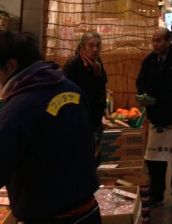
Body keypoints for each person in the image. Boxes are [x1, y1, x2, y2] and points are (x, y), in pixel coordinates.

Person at [0, 31, 101, 224]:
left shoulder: (16, 109)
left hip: (50, 217)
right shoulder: (73, 91)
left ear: (11, 65)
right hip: (89, 212)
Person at [136, 27, 172, 211]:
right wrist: (144, 96)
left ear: (169, 41)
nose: (155, 44)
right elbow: (140, 82)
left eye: (159, 40)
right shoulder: (150, 60)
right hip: (156, 119)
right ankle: (157, 195)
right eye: (153, 40)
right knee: (155, 159)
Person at [63, 30, 108, 158]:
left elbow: (102, 83)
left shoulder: (97, 63)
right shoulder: (73, 64)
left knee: (94, 156)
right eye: (91, 45)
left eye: (98, 45)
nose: (95, 49)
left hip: (95, 118)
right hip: (78, 119)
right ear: (82, 47)